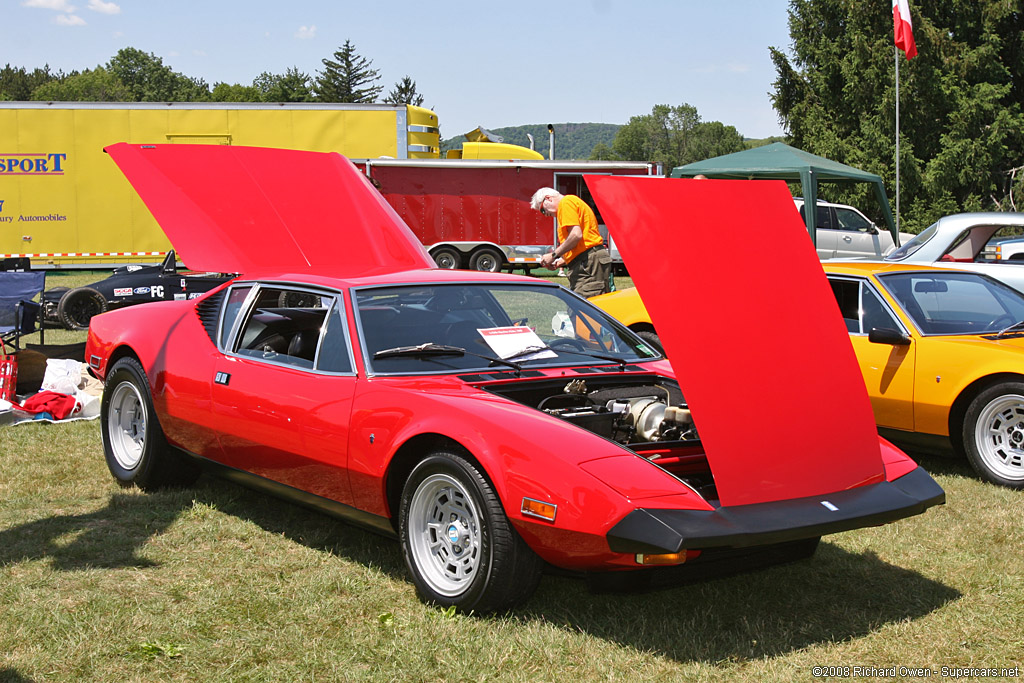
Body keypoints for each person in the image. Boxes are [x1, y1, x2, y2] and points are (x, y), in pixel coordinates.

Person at [530, 187, 611, 296]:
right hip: (588, 259)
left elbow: (576, 235)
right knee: (588, 303)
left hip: (588, 261)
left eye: (543, 210)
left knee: (585, 304)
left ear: (548, 199)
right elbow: (581, 242)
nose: (545, 214)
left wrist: (554, 255)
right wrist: (561, 262)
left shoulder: (565, 203)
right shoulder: (569, 203)